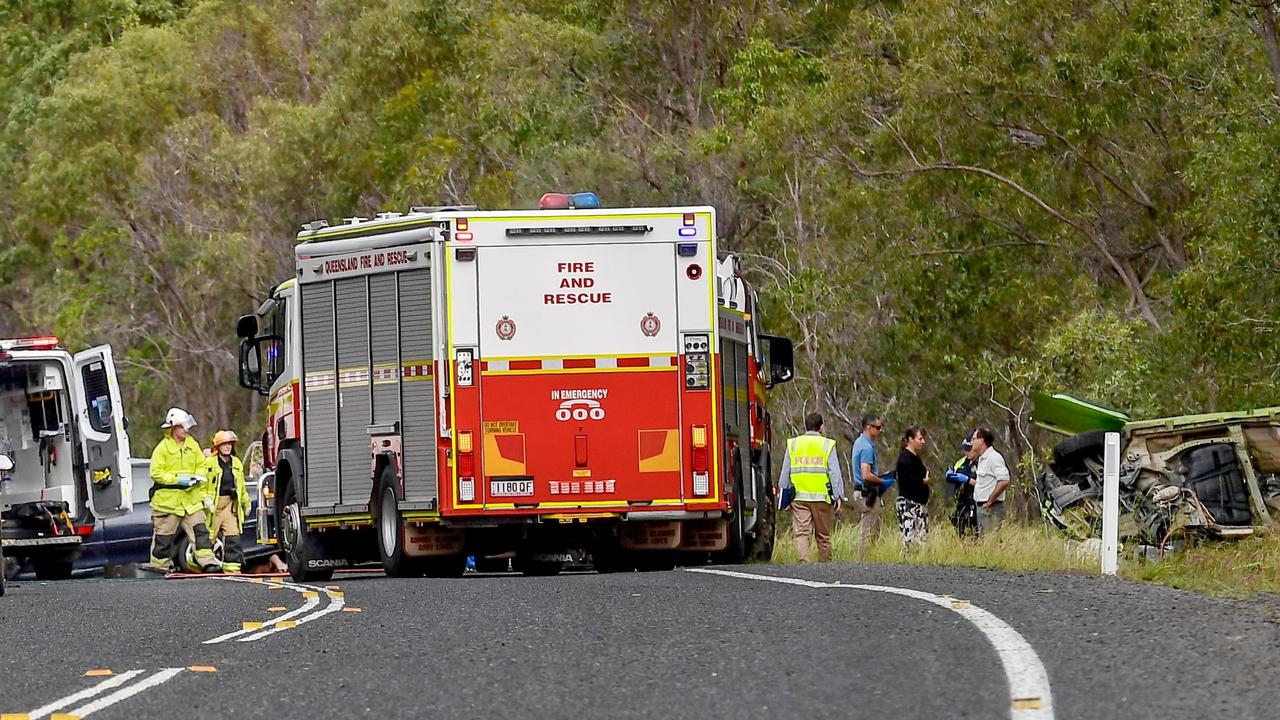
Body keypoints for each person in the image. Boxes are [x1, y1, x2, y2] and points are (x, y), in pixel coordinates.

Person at [149, 408, 219, 573]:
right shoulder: (162, 448)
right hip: (168, 503)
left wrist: (198, 477)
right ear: (173, 429)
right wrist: (178, 479)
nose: (186, 430)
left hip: (191, 501)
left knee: (201, 533)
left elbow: (201, 465)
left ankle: (207, 562)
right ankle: (159, 567)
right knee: (163, 538)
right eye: (182, 427)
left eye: (187, 426)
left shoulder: (192, 445)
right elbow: (156, 473)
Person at [777, 412, 846, 562]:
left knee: (802, 533)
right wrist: (838, 496)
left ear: (806, 426)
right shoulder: (827, 444)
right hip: (822, 498)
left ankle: (805, 564)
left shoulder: (794, 444)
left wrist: (783, 497)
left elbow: (785, 472)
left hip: (799, 497)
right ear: (821, 427)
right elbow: (834, 473)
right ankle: (825, 565)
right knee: (823, 536)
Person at [203, 430, 250, 574]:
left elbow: (241, 486)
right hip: (214, 506)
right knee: (208, 538)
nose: (228, 447)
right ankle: (203, 564)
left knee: (233, 536)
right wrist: (205, 499)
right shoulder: (209, 463)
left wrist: (245, 502)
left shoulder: (235, 463)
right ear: (218, 446)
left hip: (230, 505)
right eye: (224, 444)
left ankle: (233, 568)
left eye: (230, 444)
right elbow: (202, 484)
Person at [850, 415, 886, 559]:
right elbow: (866, 474)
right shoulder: (866, 447)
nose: (880, 430)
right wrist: (881, 481)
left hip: (861, 491)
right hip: (867, 493)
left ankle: (869, 558)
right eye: (877, 427)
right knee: (868, 530)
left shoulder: (859, 442)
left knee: (874, 528)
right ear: (868, 427)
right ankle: (864, 560)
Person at [894, 426, 931, 550]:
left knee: (922, 539)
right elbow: (907, 480)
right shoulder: (905, 458)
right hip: (909, 504)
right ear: (910, 439)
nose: (923, 442)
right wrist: (923, 481)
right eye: (920, 438)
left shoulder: (916, 458)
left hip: (919, 504)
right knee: (910, 538)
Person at [970, 427, 1011, 534]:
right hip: (982, 509)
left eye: (974, 439)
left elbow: (1004, 480)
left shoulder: (994, 457)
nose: (971, 442)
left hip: (991, 509)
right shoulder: (982, 458)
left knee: (992, 542)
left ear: (982, 440)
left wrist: (990, 501)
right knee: (985, 545)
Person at [947, 438, 980, 537]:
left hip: (975, 502)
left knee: (974, 533)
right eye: (965, 449)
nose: (966, 452)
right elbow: (954, 475)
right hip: (961, 503)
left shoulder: (981, 463)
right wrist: (950, 477)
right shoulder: (961, 462)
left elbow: (983, 484)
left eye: (969, 449)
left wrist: (967, 480)